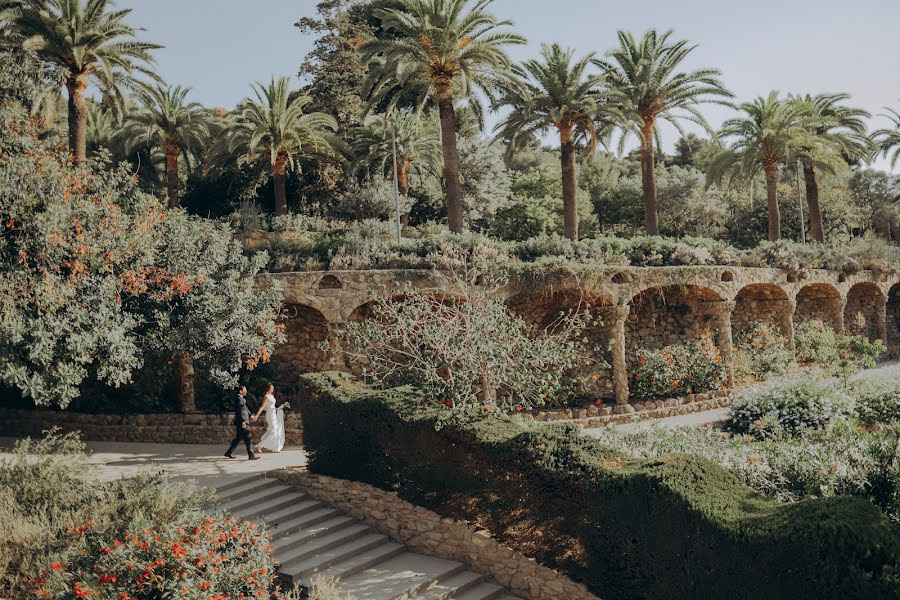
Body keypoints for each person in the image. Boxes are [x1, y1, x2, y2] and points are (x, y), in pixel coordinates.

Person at [224, 385, 258, 460]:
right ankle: (251, 455)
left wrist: (251, 416)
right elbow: (239, 412)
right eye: (245, 390)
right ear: (240, 391)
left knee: (238, 438)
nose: (246, 391)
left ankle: (229, 452)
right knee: (248, 438)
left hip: (241, 422)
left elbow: (245, 409)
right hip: (242, 422)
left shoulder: (241, 399)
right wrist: (244, 421)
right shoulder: (239, 399)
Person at [252, 383, 284, 453]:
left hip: (274, 415)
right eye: (271, 387)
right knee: (273, 431)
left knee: (272, 431)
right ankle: (260, 445)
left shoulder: (271, 395)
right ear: (268, 388)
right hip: (270, 415)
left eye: (273, 387)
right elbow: (262, 407)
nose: (273, 389)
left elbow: (271, 406)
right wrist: (257, 416)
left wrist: (278, 408)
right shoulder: (266, 397)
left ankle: (272, 446)